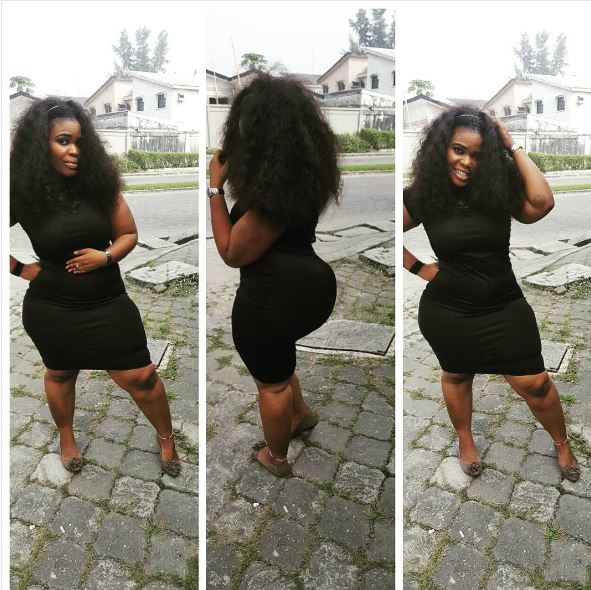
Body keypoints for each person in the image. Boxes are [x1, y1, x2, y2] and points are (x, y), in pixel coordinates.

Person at [403, 106, 580, 482]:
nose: (467, 161)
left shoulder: (498, 192)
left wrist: (511, 144)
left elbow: (542, 203)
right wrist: (419, 268)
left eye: (478, 155)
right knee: (456, 375)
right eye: (458, 150)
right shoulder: (423, 196)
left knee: (536, 383)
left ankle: (562, 442)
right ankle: (465, 440)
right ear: (442, 148)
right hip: (448, 310)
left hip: (503, 305)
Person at [10, 98, 181, 477]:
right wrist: (22, 270)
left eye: (80, 142)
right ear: (40, 145)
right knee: (60, 373)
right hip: (51, 306)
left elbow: (128, 234)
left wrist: (104, 257)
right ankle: (66, 437)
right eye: (63, 141)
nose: (74, 150)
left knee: (142, 376)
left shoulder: (99, 185)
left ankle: (166, 437)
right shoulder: (22, 193)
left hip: (107, 301)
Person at [208, 74, 341, 477]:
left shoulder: (276, 195)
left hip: (273, 294)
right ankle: (300, 416)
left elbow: (231, 252)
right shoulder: (300, 173)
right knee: (279, 364)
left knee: (271, 384)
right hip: (307, 286)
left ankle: (276, 458)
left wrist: (214, 189)